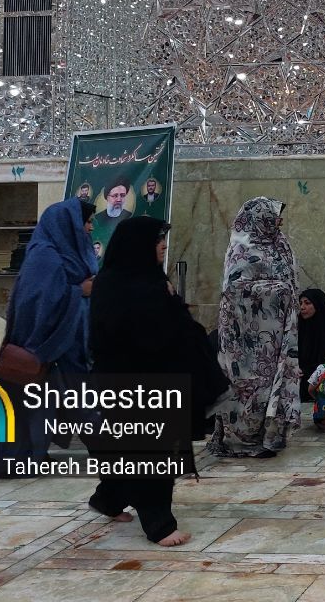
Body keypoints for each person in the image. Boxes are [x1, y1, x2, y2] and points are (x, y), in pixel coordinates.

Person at [87, 217, 225, 546]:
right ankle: (159, 525)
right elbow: (152, 336)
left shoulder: (127, 279)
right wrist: (172, 305)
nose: (163, 245)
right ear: (138, 246)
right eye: (156, 240)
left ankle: (108, 499)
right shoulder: (134, 286)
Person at [0, 198, 97, 477]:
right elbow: (36, 302)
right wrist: (79, 292)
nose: (90, 227)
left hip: (67, 345)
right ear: (68, 224)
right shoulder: (44, 256)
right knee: (46, 405)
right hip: (43, 345)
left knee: (54, 406)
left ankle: (35, 455)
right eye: (86, 221)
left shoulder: (68, 252)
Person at [207, 198, 301, 458]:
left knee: (269, 384)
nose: (279, 221)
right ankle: (239, 439)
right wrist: (279, 290)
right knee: (246, 387)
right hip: (244, 338)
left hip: (274, 336)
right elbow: (233, 290)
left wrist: (286, 294)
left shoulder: (280, 243)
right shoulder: (241, 247)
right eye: (275, 216)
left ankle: (267, 435)